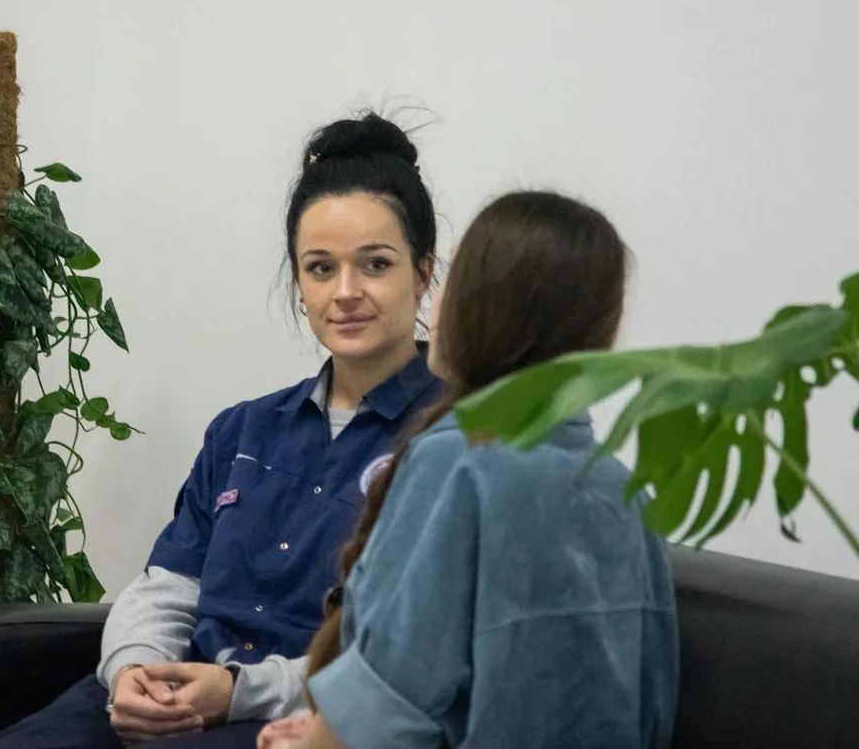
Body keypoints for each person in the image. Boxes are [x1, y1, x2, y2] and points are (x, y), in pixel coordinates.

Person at [0, 112, 445, 749]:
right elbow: (168, 587)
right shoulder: (243, 431)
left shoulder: (455, 440)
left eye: (375, 264)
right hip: (177, 687)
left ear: (422, 273)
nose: (345, 292)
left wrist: (236, 692)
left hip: (300, 717)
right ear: (298, 282)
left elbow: (414, 649)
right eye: (319, 268)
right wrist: (133, 673)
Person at [260, 191, 679, 749]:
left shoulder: (457, 464)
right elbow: (650, 697)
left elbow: (391, 697)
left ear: (485, 308)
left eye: (452, 282)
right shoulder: (624, 490)